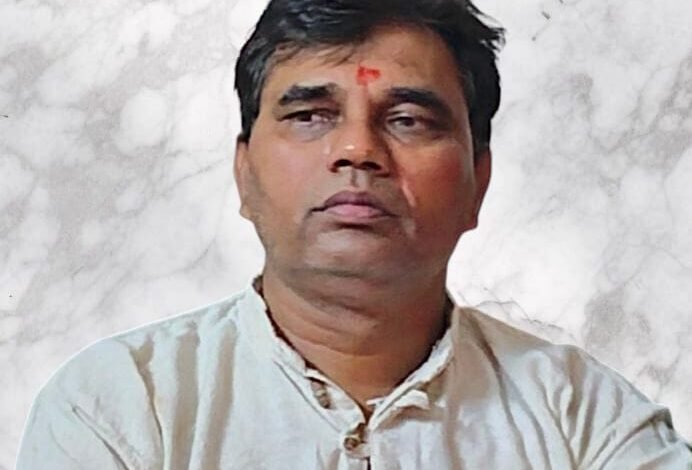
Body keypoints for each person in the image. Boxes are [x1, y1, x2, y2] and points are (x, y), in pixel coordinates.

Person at [16, 0, 692, 468]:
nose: (357, 150)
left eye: (408, 120)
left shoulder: (585, 421)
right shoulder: (122, 408)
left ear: (478, 183)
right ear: (244, 174)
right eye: (310, 115)